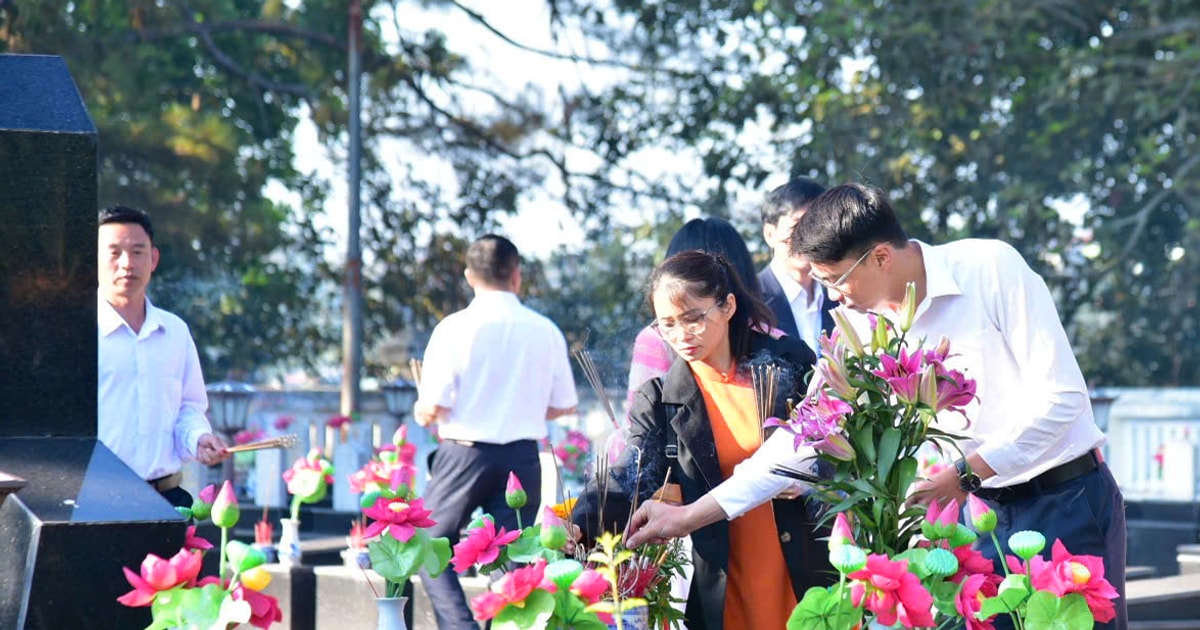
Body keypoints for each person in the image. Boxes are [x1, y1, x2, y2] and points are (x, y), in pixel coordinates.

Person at [627, 182, 1128, 630]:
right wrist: (692, 515)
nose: (834, 299)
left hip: (1065, 499)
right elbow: (804, 437)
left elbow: (1062, 402)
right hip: (973, 517)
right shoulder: (862, 328)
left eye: (836, 281)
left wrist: (965, 472)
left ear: (881, 257)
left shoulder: (989, 267)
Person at [574, 250, 830, 630]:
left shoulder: (788, 364)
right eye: (668, 325)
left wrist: (809, 476)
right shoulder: (660, 399)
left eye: (693, 319)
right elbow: (629, 473)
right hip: (726, 572)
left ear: (728, 306)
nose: (681, 336)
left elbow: (836, 443)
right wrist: (579, 522)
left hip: (805, 558)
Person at [414, 234, 578, 630]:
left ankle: (460, 625)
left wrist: (423, 410)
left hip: (464, 453)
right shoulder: (545, 330)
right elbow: (564, 405)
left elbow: (432, 408)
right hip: (521, 456)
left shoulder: (454, 328)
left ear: (470, 276)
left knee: (428, 546)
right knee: (511, 560)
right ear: (516, 276)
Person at [97, 205, 229, 509]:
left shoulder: (175, 332)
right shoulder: (77, 335)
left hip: (167, 500)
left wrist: (198, 439)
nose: (127, 264)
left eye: (138, 251)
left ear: (153, 259)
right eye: (114, 252)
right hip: (97, 502)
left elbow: (189, 407)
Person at [757, 177, 837, 355]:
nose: (808, 238)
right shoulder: (752, 301)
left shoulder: (839, 297)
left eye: (817, 226)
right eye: (797, 227)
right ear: (770, 234)